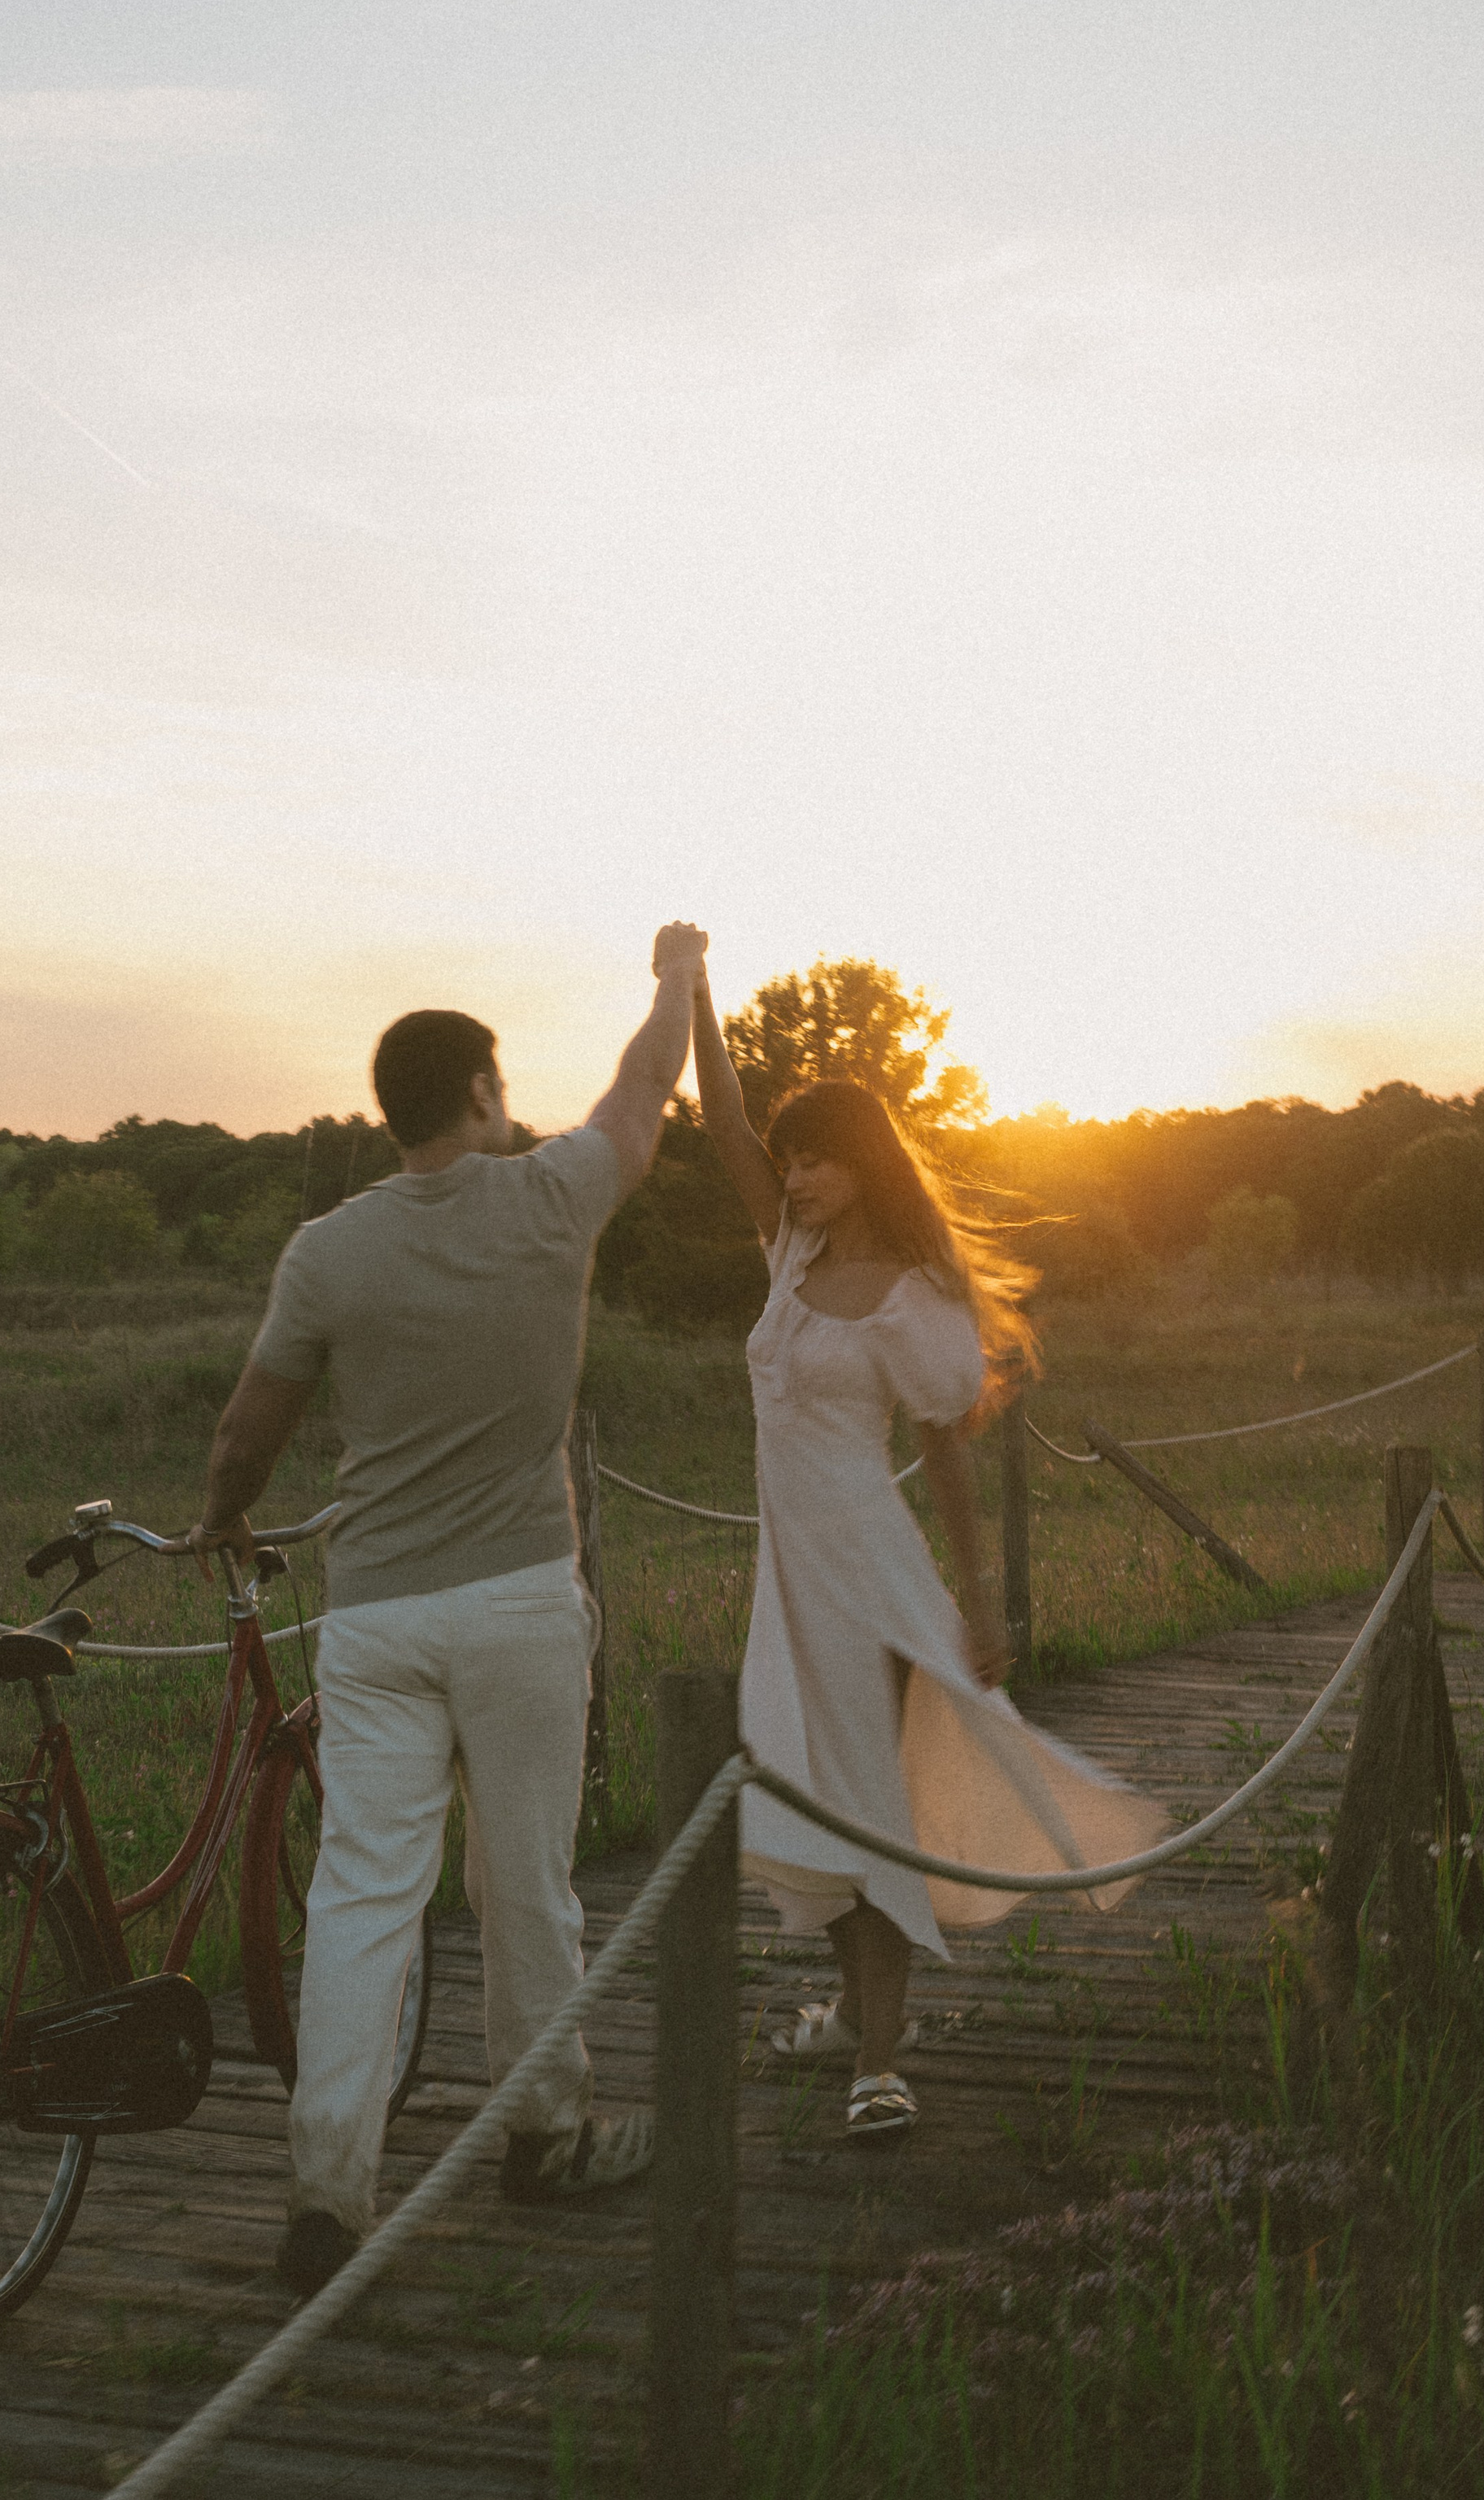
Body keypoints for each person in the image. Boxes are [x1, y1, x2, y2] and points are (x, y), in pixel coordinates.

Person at [191, 924, 709, 2294]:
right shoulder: (552, 1198)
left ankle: (327, 2189)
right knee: (525, 1881)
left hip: (377, 1619)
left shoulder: (326, 1252)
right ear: (479, 1091)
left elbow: (247, 1433)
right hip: (522, 1601)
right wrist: (677, 975)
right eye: (501, 1083)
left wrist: (223, 1515)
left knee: (365, 1894)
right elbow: (643, 1088)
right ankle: (545, 2131)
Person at [690, 976, 1168, 2139]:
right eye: (792, 1159)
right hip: (789, 1579)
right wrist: (694, 985)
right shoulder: (789, 1253)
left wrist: (978, 1599)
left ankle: (879, 2063)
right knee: (814, 1794)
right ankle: (857, 2014)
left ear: (867, 1164)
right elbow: (722, 1123)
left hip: (867, 1578)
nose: (797, 1175)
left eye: (819, 1158)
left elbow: (943, 1453)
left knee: (868, 1807)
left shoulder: (911, 1300)